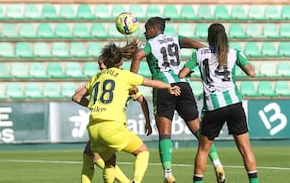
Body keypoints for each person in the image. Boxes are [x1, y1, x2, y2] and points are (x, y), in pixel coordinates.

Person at [130, 17, 225, 183]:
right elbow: (195, 44)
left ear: (154, 28)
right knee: (199, 130)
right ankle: (217, 164)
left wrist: (132, 81)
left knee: (165, 133)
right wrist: (210, 55)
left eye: (146, 29)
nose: (145, 32)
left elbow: (138, 56)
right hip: (183, 85)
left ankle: (168, 174)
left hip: (164, 87)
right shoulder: (175, 38)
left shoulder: (150, 43)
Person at [73, 43, 181, 183]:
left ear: (105, 62)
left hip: (93, 128)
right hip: (112, 126)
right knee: (142, 151)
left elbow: (76, 97)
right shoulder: (125, 76)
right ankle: (135, 181)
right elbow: (150, 83)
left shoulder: (96, 77)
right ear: (121, 62)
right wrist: (168, 86)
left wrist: (95, 106)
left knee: (108, 162)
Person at [178, 23, 259, 183]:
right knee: (245, 149)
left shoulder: (199, 53)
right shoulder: (234, 52)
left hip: (213, 106)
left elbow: (182, 74)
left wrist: (197, 71)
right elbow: (251, 72)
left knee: (203, 149)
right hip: (234, 104)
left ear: (209, 38)